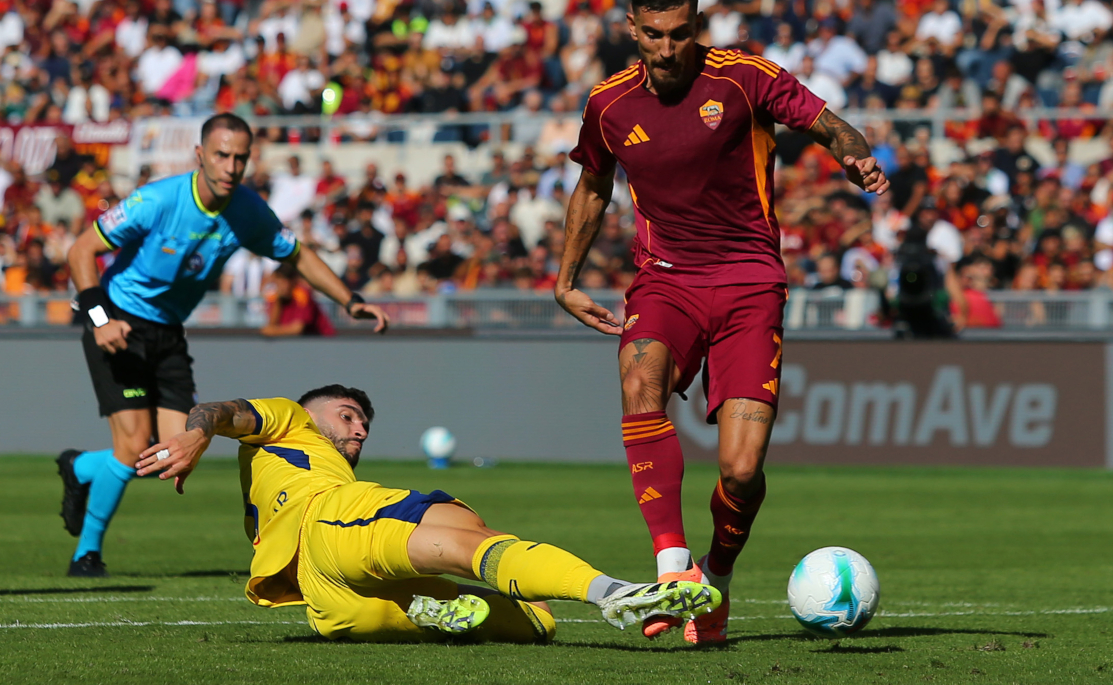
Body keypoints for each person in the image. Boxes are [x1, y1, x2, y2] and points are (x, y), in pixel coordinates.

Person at [554, 0, 889, 644]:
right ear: (632, 29)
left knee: (740, 470)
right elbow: (593, 186)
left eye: (680, 33)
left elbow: (830, 125)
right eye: (654, 35)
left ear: (697, 25)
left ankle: (717, 580)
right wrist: (564, 279)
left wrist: (855, 155)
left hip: (748, 283)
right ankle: (673, 569)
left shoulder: (745, 78)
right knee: (639, 379)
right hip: (666, 281)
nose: (668, 48)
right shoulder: (609, 104)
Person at [56, 114, 390, 578]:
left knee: (175, 448)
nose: (231, 166)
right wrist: (99, 319)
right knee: (133, 447)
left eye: (239, 157)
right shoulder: (157, 200)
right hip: (118, 323)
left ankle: (80, 469)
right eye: (221, 155)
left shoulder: (248, 211)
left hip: (169, 333)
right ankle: (87, 555)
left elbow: (299, 254)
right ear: (200, 155)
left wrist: (350, 301)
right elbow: (78, 251)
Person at [135, 385, 720, 643]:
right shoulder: (290, 420)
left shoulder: (303, 470)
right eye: (347, 415)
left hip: (327, 605)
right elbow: (218, 410)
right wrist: (193, 436)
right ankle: (612, 592)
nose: (359, 428)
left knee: (538, 624)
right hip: (329, 525)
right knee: (468, 541)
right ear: (312, 413)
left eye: (364, 424)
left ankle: (433, 611)